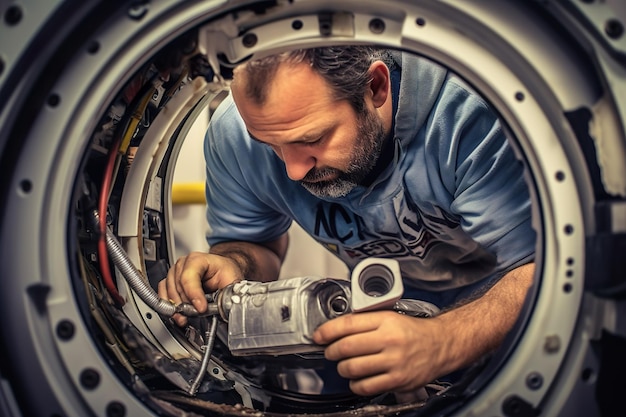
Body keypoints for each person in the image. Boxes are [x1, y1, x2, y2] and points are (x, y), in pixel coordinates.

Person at [158, 46, 535, 398]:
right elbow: (258, 245)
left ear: (376, 87)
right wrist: (235, 263)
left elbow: (543, 270)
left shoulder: (466, 115)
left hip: (499, 303)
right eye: (270, 144)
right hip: (368, 313)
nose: (292, 171)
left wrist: (444, 340)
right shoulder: (235, 138)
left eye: (313, 139)